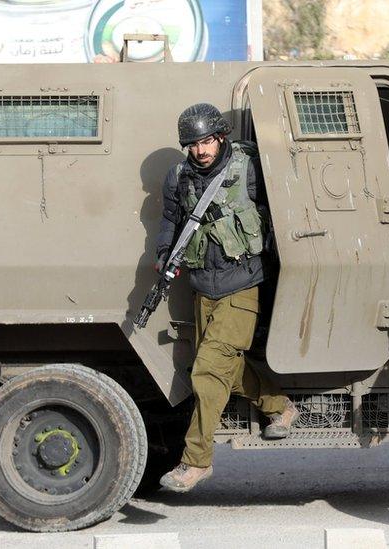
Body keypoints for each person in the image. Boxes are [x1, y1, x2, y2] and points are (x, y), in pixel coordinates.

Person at [157, 103, 298, 493]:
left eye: (206, 141)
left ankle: (196, 461)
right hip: (204, 288)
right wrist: (163, 255)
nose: (200, 150)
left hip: (243, 285)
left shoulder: (249, 169)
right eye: (193, 144)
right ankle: (278, 405)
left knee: (207, 371)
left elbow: (282, 211)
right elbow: (171, 220)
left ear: (220, 137)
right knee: (225, 367)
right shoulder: (179, 177)